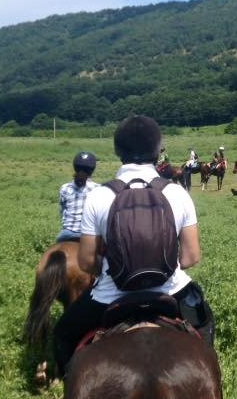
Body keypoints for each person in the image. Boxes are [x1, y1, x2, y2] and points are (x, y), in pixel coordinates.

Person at [52, 115, 214, 378]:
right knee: (206, 323)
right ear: (158, 150)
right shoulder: (177, 193)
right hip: (171, 290)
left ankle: (66, 392)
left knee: (63, 333)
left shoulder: (99, 196)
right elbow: (190, 257)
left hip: (110, 295)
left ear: (118, 151)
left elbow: (86, 263)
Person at [56, 151, 99, 242]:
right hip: (89, 234)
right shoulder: (97, 188)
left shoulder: (64, 188)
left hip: (67, 233)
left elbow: (62, 211)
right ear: (90, 172)